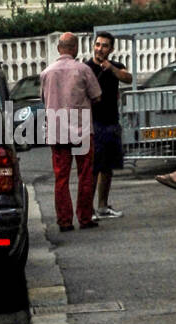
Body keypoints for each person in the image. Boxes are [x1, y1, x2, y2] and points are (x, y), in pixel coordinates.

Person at [40, 32, 102, 231]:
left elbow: (43, 99)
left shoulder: (46, 73)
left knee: (61, 177)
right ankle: (85, 218)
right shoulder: (83, 69)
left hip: (57, 131)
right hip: (81, 129)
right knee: (85, 175)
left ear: (59, 48)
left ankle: (64, 221)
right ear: (75, 48)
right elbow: (97, 96)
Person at [85, 31, 131, 218]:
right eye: (97, 44)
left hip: (112, 122)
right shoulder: (86, 68)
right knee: (93, 168)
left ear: (111, 49)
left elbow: (128, 78)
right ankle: (88, 209)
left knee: (108, 167)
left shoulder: (116, 66)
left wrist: (110, 68)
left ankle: (103, 206)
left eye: (104, 45)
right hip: (93, 123)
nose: (100, 48)